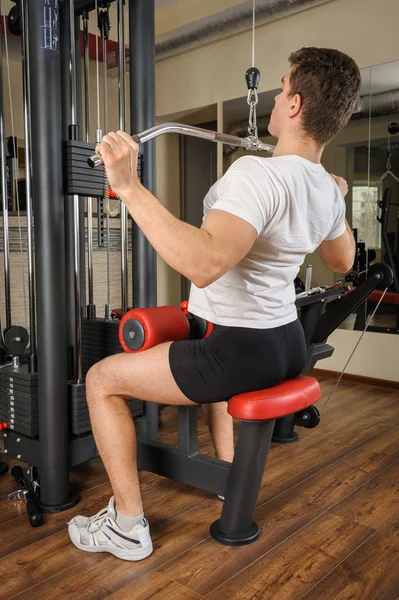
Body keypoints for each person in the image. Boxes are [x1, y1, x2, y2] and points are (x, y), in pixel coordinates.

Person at [67, 46, 360, 561]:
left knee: (101, 380)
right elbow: (342, 260)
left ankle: (127, 525)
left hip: (240, 350)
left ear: (294, 106)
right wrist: (337, 197)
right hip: (286, 341)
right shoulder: (326, 187)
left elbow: (204, 263)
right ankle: (227, 475)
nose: (275, 94)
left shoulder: (257, 175)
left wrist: (129, 187)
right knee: (209, 355)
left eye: (283, 85)